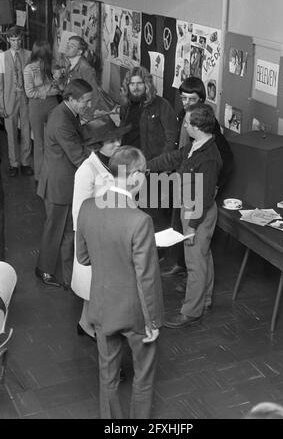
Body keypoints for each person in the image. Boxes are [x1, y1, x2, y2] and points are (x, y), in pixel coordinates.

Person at [76, 145, 164, 419]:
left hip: (101, 308)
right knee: (143, 377)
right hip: (135, 313)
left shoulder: (87, 207)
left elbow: (83, 257)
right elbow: (146, 278)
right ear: (136, 176)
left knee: (108, 377)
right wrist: (153, 322)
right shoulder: (140, 220)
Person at [148, 103, 222, 328]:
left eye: (188, 123)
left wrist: (191, 225)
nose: (185, 126)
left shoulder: (208, 157)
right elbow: (172, 158)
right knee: (203, 255)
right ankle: (205, 300)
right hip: (191, 209)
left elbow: (205, 197)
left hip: (197, 213)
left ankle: (191, 311)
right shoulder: (195, 146)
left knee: (194, 263)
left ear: (198, 126)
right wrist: (145, 165)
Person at [163, 76, 233, 279]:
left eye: (191, 99)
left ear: (201, 99)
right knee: (178, 225)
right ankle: (181, 264)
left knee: (193, 237)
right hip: (182, 183)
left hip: (197, 191)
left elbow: (224, 160)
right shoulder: (182, 115)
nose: (186, 103)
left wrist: (214, 185)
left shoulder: (208, 126)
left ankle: (194, 278)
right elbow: (179, 149)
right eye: (183, 98)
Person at [71, 118, 130, 339]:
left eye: (118, 138)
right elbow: (79, 212)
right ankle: (97, 330)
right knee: (96, 287)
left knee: (98, 288)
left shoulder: (116, 162)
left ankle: (85, 323)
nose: (117, 144)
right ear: (97, 145)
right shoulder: (86, 171)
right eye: (111, 141)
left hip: (114, 233)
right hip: (95, 238)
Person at [35, 79, 92, 288]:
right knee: (57, 229)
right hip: (59, 184)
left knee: (66, 229)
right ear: (71, 99)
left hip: (62, 181)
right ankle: (45, 270)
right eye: (85, 101)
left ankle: (68, 276)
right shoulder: (62, 120)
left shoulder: (67, 112)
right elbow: (77, 155)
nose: (88, 104)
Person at [119, 65, 178, 159]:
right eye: (132, 84)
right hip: (125, 158)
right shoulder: (125, 105)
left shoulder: (162, 105)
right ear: (127, 86)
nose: (135, 87)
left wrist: (161, 163)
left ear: (147, 84)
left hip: (149, 164)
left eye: (139, 83)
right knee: (120, 174)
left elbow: (171, 138)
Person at [24, 41, 61, 182]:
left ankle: (53, 172)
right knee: (39, 142)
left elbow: (59, 88)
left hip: (52, 105)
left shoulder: (51, 65)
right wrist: (48, 91)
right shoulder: (29, 69)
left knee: (53, 139)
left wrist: (57, 81)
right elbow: (29, 93)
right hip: (36, 107)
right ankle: (39, 176)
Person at [0, 26, 33, 177]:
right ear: (8, 40)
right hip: (9, 98)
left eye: (18, 39)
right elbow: (0, 84)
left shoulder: (29, 55)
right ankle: (14, 163)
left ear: (22, 39)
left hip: (26, 97)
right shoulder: (2, 57)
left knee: (26, 130)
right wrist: (1, 105)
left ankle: (26, 162)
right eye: (13, 40)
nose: (16, 43)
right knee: (11, 132)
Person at [62, 35, 116, 119]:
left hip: (83, 112)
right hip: (75, 108)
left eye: (72, 46)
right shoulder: (70, 65)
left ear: (79, 51)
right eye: (68, 45)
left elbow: (94, 93)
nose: (67, 47)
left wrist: (87, 116)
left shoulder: (85, 68)